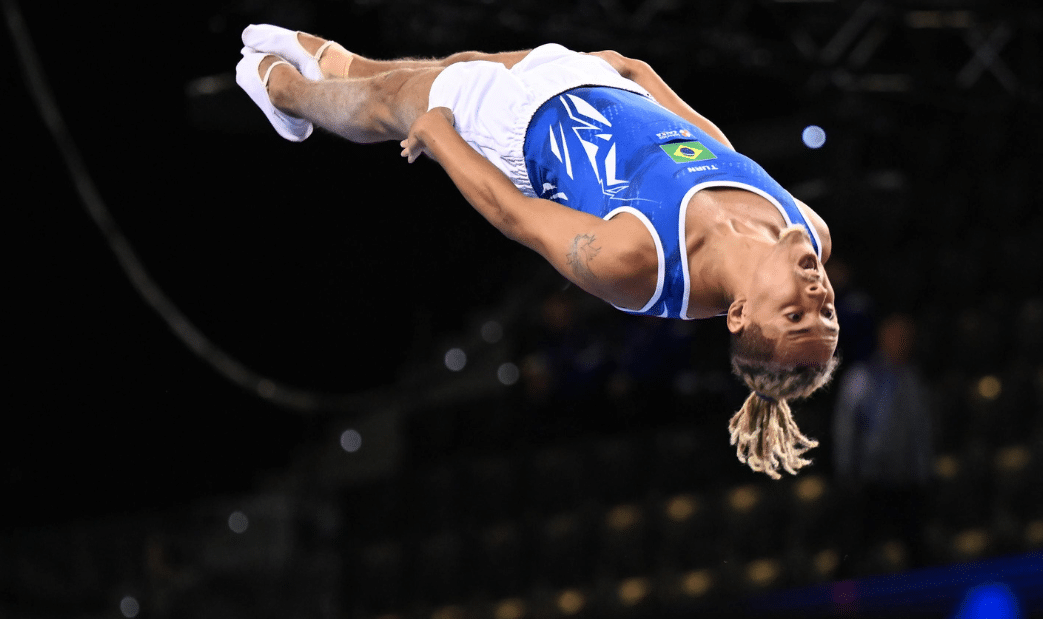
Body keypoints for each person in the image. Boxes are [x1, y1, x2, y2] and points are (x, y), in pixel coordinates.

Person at [235, 25, 840, 478]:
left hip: (520, 130)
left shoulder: (641, 264)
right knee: (458, 62)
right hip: (593, 85)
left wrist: (442, 137)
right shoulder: (808, 228)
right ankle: (341, 63)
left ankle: (281, 90)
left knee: (393, 103)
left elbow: (516, 216)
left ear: (738, 316)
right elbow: (722, 152)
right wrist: (642, 77)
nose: (816, 298)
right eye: (825, 316)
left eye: (793, 316)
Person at [832, 313, 934, 562]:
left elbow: (921, 429)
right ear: (883, 338)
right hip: (869, 481)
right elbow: (845, 431)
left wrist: (923, 473)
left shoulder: (913, 379)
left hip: (906, 480)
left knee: (914, 548)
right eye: (897, 336)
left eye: (907, 338)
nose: (903, 343)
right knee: (860, 549)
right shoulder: (860, 378)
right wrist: (847, 473)